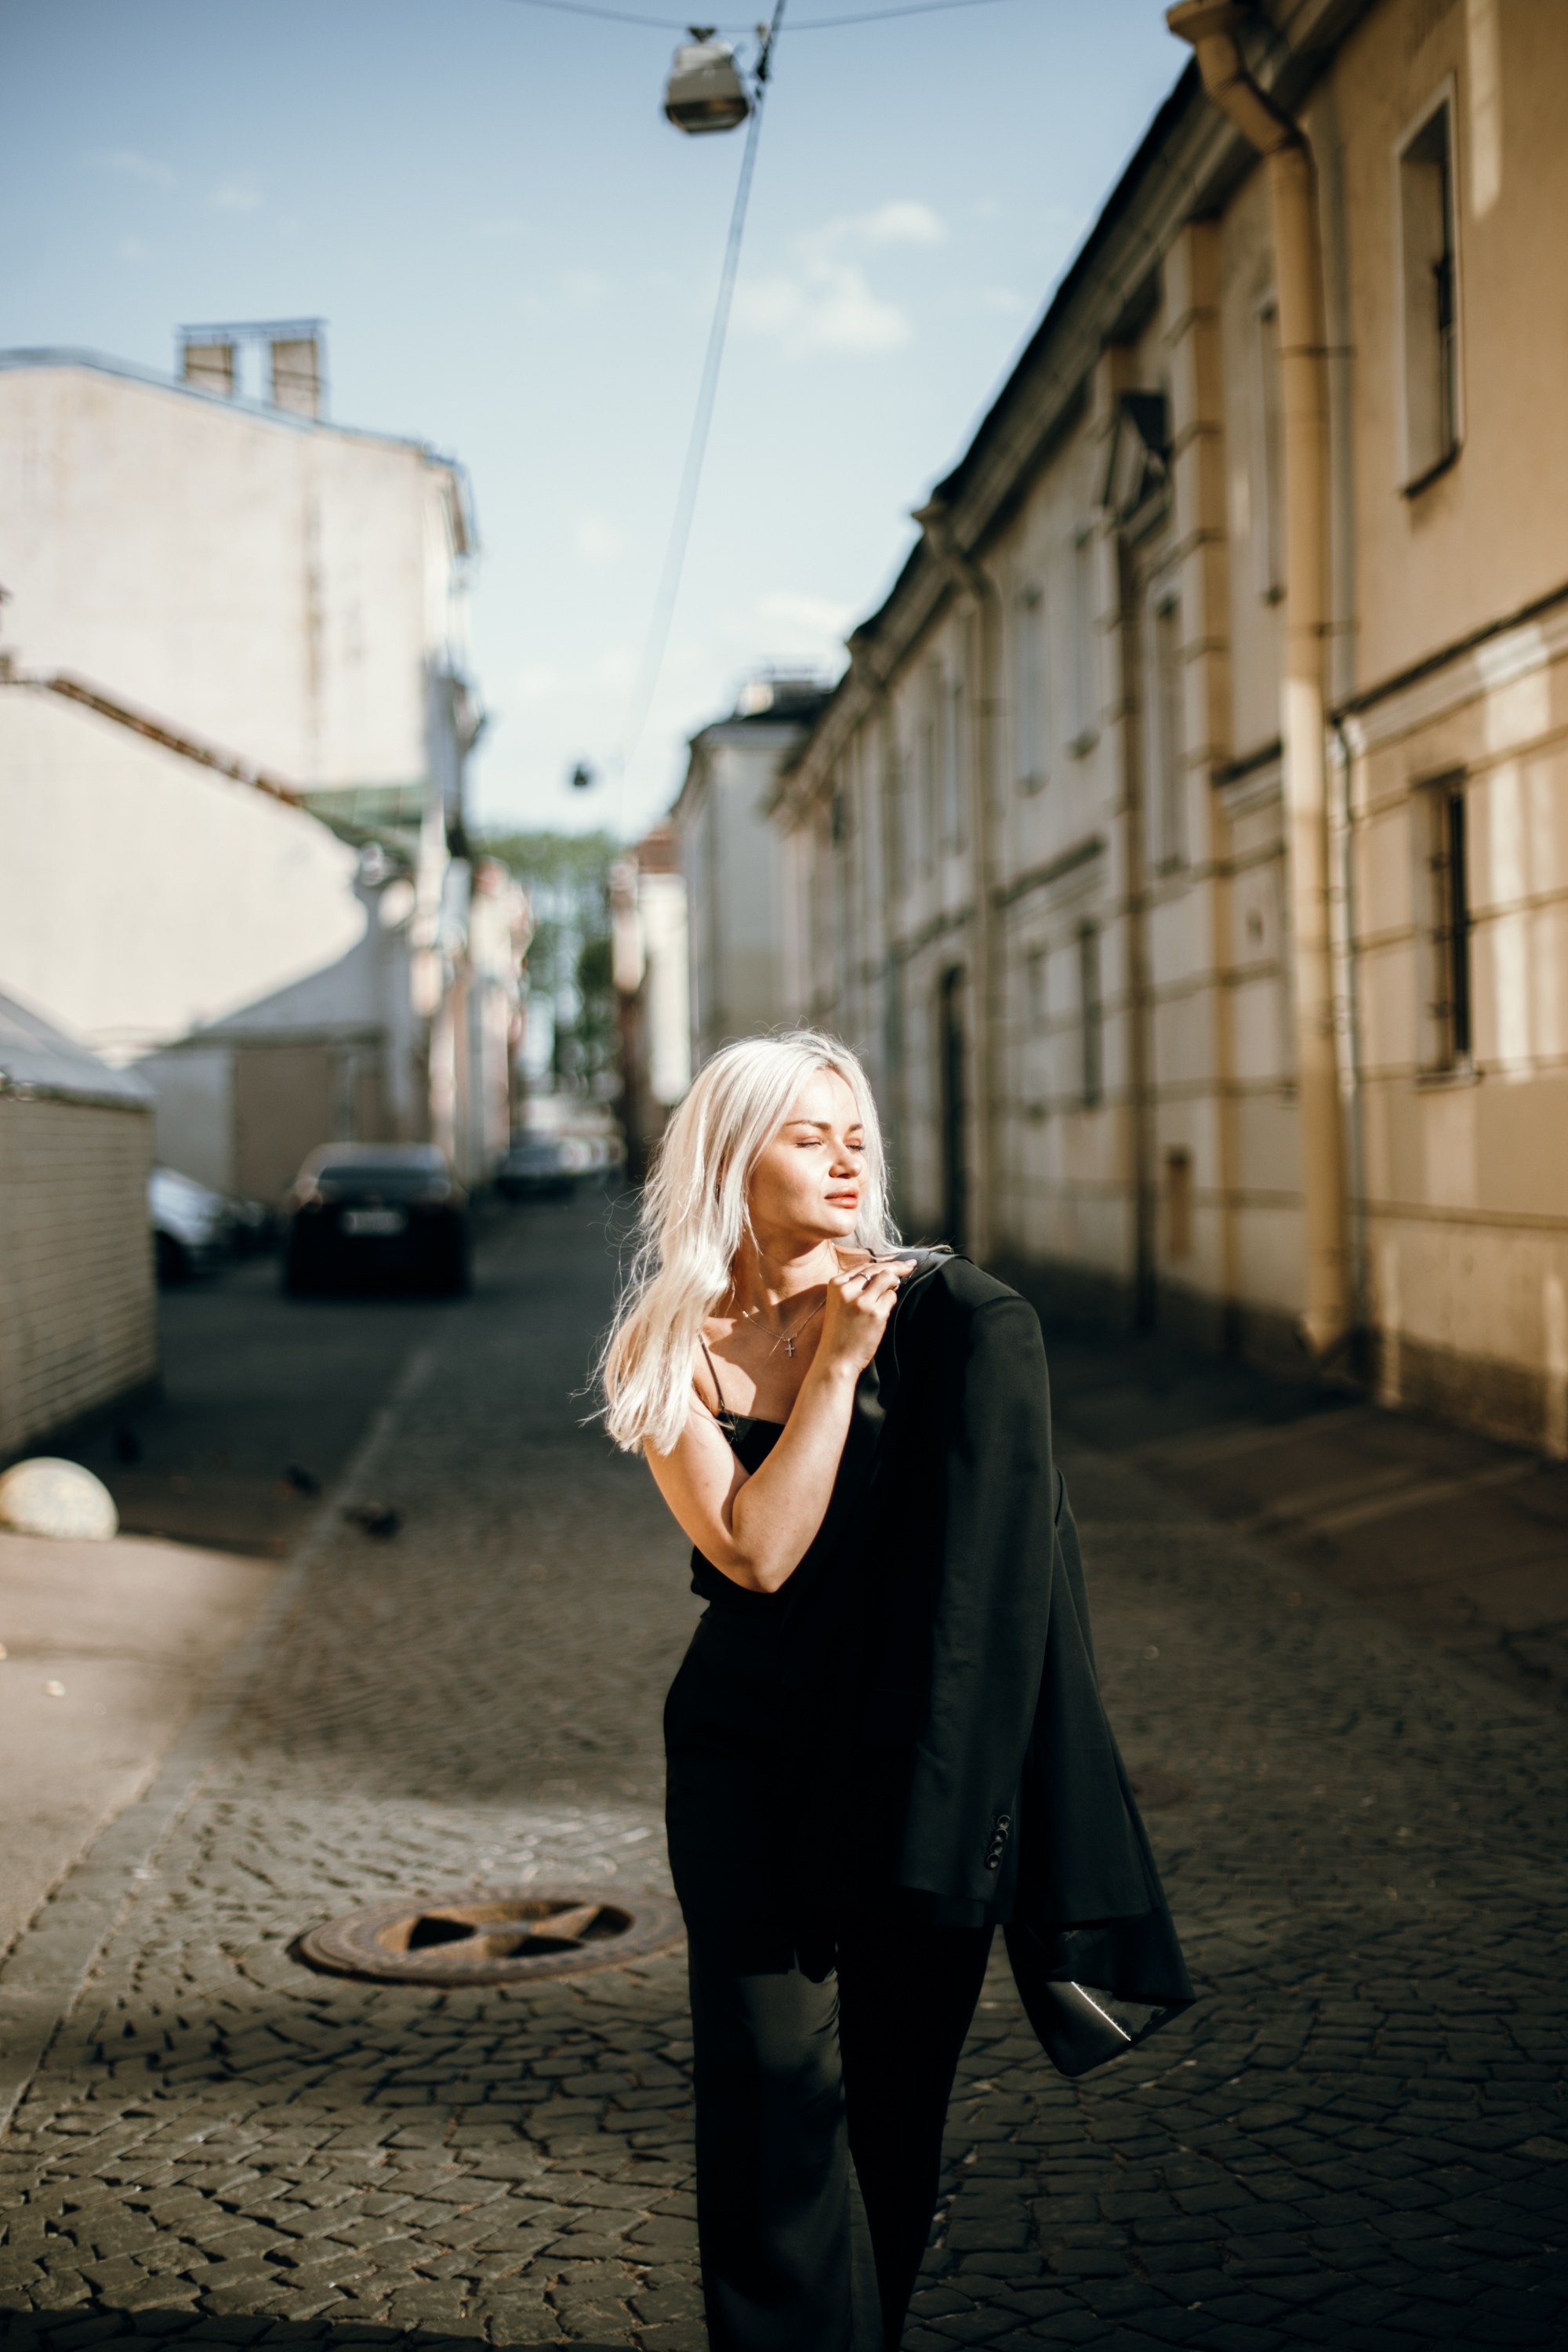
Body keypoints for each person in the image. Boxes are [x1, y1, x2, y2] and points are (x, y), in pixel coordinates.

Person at [601, 1031, 1191, 2352]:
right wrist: (833, 1372)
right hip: (744, 1754)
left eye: (856, 1131)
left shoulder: (962, 1320)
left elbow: (1016, 1589)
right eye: (809, 1135)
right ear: (730, 1160)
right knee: (768, 2089)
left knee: (892, 2105)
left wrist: (984, 1798)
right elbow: (756, 1550)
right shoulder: (669, 1345)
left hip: (906, 1760)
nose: (847, 1155)